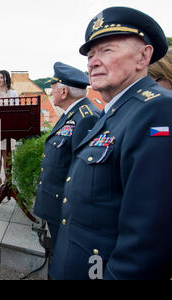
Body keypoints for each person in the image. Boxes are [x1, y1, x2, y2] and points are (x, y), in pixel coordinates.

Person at [49, 6, 172, 280]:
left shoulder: (157, 111)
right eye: (91, 55)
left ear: (144, 56)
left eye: (107, 50)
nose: (93, 61)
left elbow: (148, 237)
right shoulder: (115, 110)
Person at [34, 62, 99, 253]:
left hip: (64, 208)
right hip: (55, 204)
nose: (51, 92)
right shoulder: (72, 114)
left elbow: (81, 174)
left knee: (62, 253)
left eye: (53, 88)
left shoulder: (86, 117)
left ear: (63, 92)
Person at [0, 70, 18, 192]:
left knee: (7, 156)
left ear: (7, 79)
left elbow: (17, 112)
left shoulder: (14, 93)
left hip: (9, 128)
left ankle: (7, 179)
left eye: (2, 77)